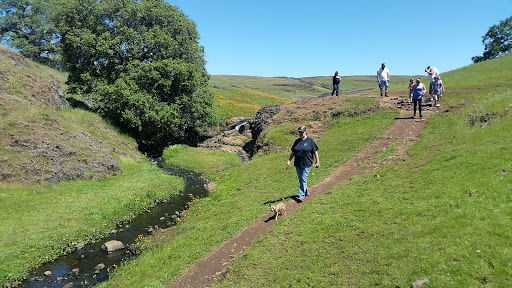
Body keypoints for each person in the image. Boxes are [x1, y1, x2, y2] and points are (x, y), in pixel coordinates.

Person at [286, 126, 320, 202]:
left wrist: (317, 161)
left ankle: (301, 195)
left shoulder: (310, 140)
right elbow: (293, 152)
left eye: (302, 132)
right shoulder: (297, 141)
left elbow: (315, 152)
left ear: (305, 132)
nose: (300, 133)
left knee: (303, 179)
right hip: (298, 164)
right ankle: (306, 192)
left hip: (307, 163)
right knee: (301, 179)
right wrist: (289, 161)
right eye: (299, 132)